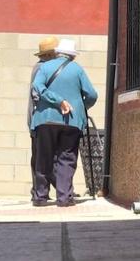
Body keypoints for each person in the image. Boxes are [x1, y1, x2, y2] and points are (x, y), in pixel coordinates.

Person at [31, 39, 97, 207]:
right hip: (71, 121)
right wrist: (79, 107)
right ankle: (64, 197)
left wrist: (54, 100)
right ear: (72, 56)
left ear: (57, 52)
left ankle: (40, 196)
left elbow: (37, 86)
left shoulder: (44, 67)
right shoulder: (77, 69)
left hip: (45, 119)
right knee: (66, 158)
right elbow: (92, 94)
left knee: (43, 157)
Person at [27, 36, 59, 202]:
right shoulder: (42, 68)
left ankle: (50, 189)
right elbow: (37, 95)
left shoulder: (41, 67)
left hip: (38, 119)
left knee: (43, 156)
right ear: (50, 54)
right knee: (41, 157)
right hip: (39, 119)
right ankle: (39, 191)